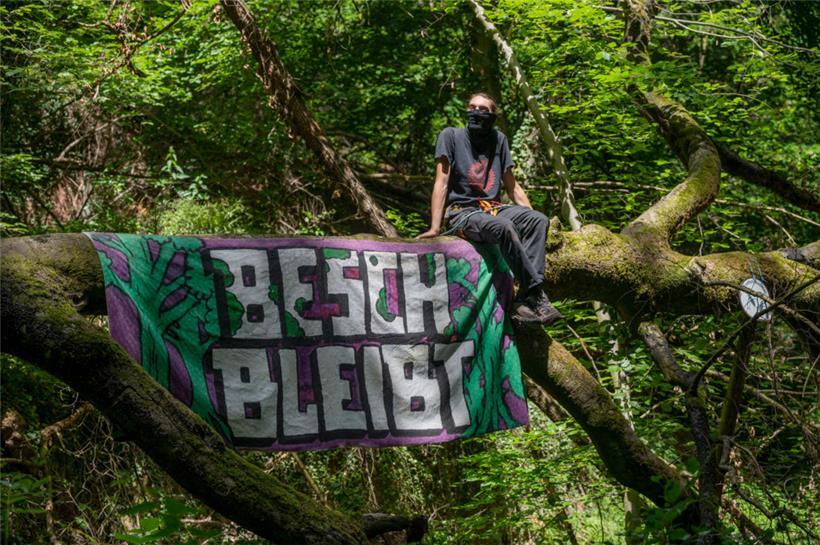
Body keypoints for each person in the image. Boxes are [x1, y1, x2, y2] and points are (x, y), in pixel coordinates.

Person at [417, 92, 563, 325]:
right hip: (462, 212)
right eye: (471, 107)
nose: (475, 112)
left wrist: (530, 216)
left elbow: (512, 186)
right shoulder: (451, 136)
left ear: (493, 115)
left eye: (483, 109)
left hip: (492, 208)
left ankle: (523, 301)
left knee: (539, 220)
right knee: (503, 227)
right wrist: (435, 227)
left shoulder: (499, 139)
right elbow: (441, 182)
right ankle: (537, 294)